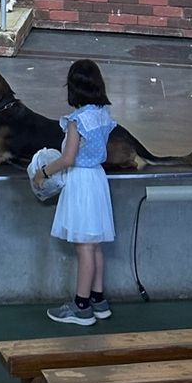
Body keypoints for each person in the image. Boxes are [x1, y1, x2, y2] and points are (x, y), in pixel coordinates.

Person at [32, 58, 116, 326]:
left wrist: (43, 172)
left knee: (84, 248)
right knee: (95, 245)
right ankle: (98, 300)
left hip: (81, 183)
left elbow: (68, 158)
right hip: (98, 179)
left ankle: (81, 307)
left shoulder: (76, 121)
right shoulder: (103, 114)